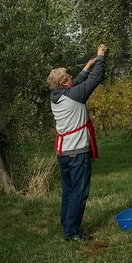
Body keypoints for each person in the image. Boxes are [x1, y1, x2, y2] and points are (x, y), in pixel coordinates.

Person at [47, 44, 108, 241]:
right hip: (77, 152)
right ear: (65, 82)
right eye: (70, 76)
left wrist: (86, 67)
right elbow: (96, 79)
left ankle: (67, 226)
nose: (73, 77)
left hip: (64, 152)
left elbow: (79, 82)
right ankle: (72, 233)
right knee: (79, 193)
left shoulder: (57, 96)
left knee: (69, 191)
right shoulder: (73, 95)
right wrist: (100, 57)